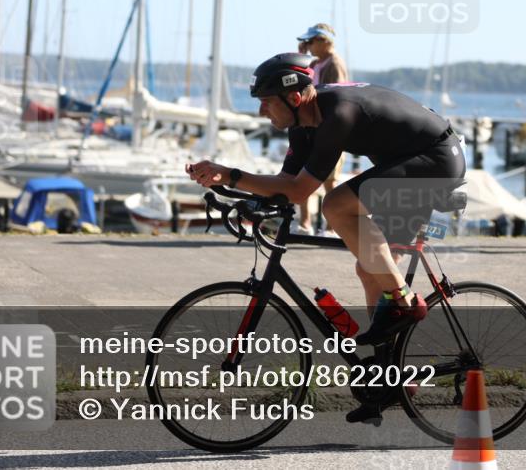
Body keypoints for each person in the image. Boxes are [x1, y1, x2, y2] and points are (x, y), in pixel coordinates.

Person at [186, 53, 465, 347]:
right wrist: (237, 195)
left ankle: (405, 301)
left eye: (266, 101)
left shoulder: (337, 116)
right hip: (409, 161)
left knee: (335, 205)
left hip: (437, 161)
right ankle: (389, 374)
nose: (261, 112)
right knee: (371, 271)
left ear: (294, 98)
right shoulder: (303, 124)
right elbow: (285, 184)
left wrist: (230, 174)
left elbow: (299, 191)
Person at [294, 24, 349, 234]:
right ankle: (305, 223)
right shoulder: (317, 62)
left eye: (311, 42)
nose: (308, 46)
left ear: (324, 41)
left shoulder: (334, 64)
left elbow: (337, 97)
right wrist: (301, 55)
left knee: (329, 180)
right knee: (304, 175)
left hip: (329, 130)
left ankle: (332, 227)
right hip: (313, 128)